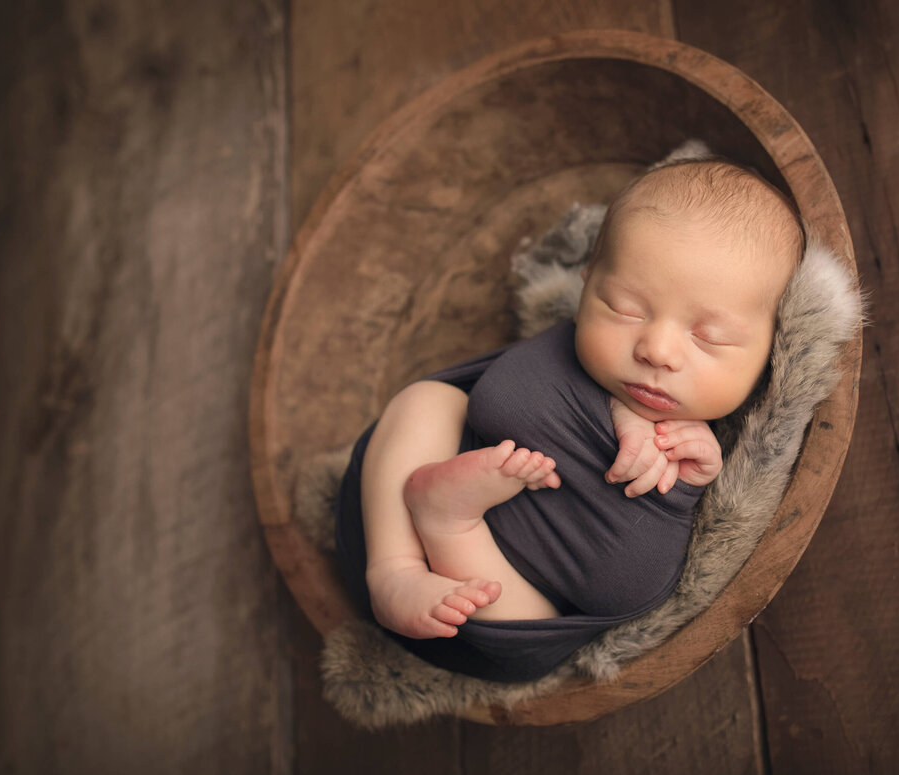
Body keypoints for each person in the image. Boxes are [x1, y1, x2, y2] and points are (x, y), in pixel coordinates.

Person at [335, 157, 804, 681]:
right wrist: (616, 410)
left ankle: (447, 522)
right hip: (382, 528)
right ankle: (393, 569)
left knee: (545, 635)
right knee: (428, 402)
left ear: (770, 354)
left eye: (709, 337)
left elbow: (630, 581)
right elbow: (499, 400)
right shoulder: (565, 363)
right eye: (626, 307)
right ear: (585, 287)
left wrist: (690, 483)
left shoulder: (720, 451)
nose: (657, 349)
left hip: (477, 620)